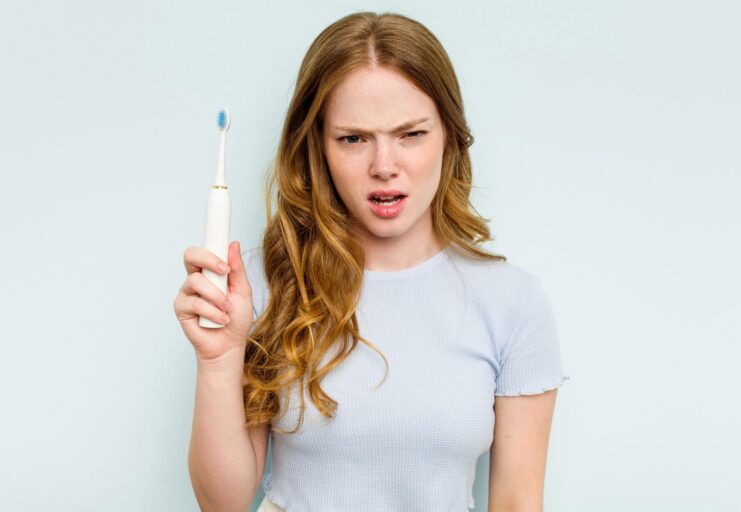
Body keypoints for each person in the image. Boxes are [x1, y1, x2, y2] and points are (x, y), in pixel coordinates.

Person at [174, 10, 569, 512]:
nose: (384, 166)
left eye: (411, 134)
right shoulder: (259, 284)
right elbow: (223, 504)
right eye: (353, 138)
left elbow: (516, 501)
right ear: (318, 146)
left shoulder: (512, 302)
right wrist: (218, 360)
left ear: (449, 136)